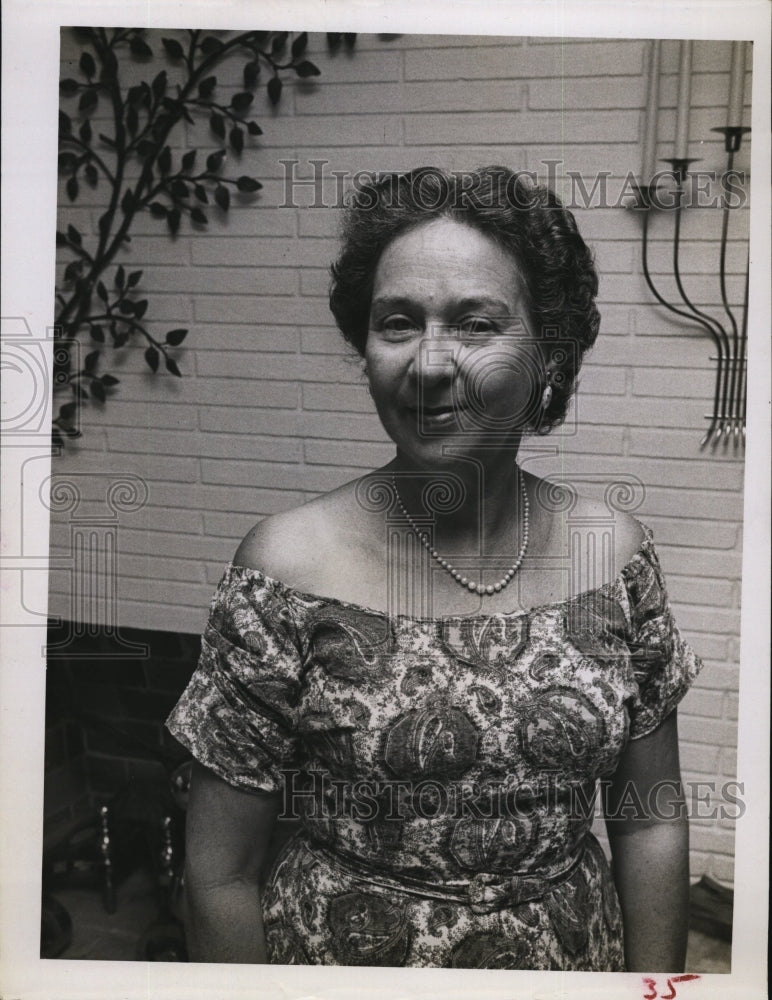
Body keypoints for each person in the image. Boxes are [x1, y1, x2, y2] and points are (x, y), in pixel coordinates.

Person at [166, 166, 702, 971]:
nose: (429, 363)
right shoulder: (286, 569)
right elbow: (218, 874)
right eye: (397, 323)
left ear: (547, 347)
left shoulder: (614, 556)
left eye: (477, 324)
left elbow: (650, 821)